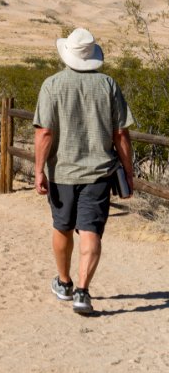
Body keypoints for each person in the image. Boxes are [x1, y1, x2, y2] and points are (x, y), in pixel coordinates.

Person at [33, 27, 135, 315]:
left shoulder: (52, 85)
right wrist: (128, 172)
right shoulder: (108, 85)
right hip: (99, 174)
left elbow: (44, 133)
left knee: (62, 226)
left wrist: (39, 170)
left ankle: (63, 282)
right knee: (91, 230)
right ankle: (82, 291)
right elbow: (121, 135)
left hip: (61, 172)